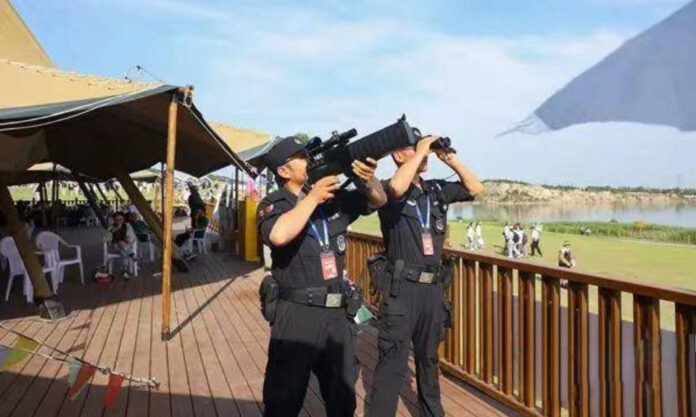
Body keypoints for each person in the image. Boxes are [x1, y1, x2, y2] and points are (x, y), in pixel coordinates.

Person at [257, 135, 387, 417]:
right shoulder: (274, 203)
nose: (310, 160)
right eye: (302, 156)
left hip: (336, 317)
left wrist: (366, 178)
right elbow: (278, 235)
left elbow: (379, 199)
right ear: (284, 171)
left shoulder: (333, 200)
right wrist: (312, 197)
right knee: (283, 401)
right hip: (296, 314)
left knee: (342, 401)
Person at [368, 135, 483, 417]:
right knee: (392, 364)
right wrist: (420, 152)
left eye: (425, 149)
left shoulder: (435, 191)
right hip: (402, 290)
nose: (425, 155)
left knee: (429, 361)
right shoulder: (388, 190)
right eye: (413, 148)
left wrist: (449, 157)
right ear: (398, 155)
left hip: (433, 290)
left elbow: (475, 188)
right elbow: (396, 187)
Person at [109, 212, 136, 279]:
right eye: (117, 219)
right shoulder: (111, 227)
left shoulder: (127, 226)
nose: (119, 221)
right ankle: (132, 254)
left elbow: (132, 237)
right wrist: (113, 232)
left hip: (126, 245)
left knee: (124, 252)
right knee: (121, 243)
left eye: (120, 219)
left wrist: (128, 239)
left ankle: (125, 271)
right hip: (116, 246)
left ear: (123, 219)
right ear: (114, 220)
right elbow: (106, 238)